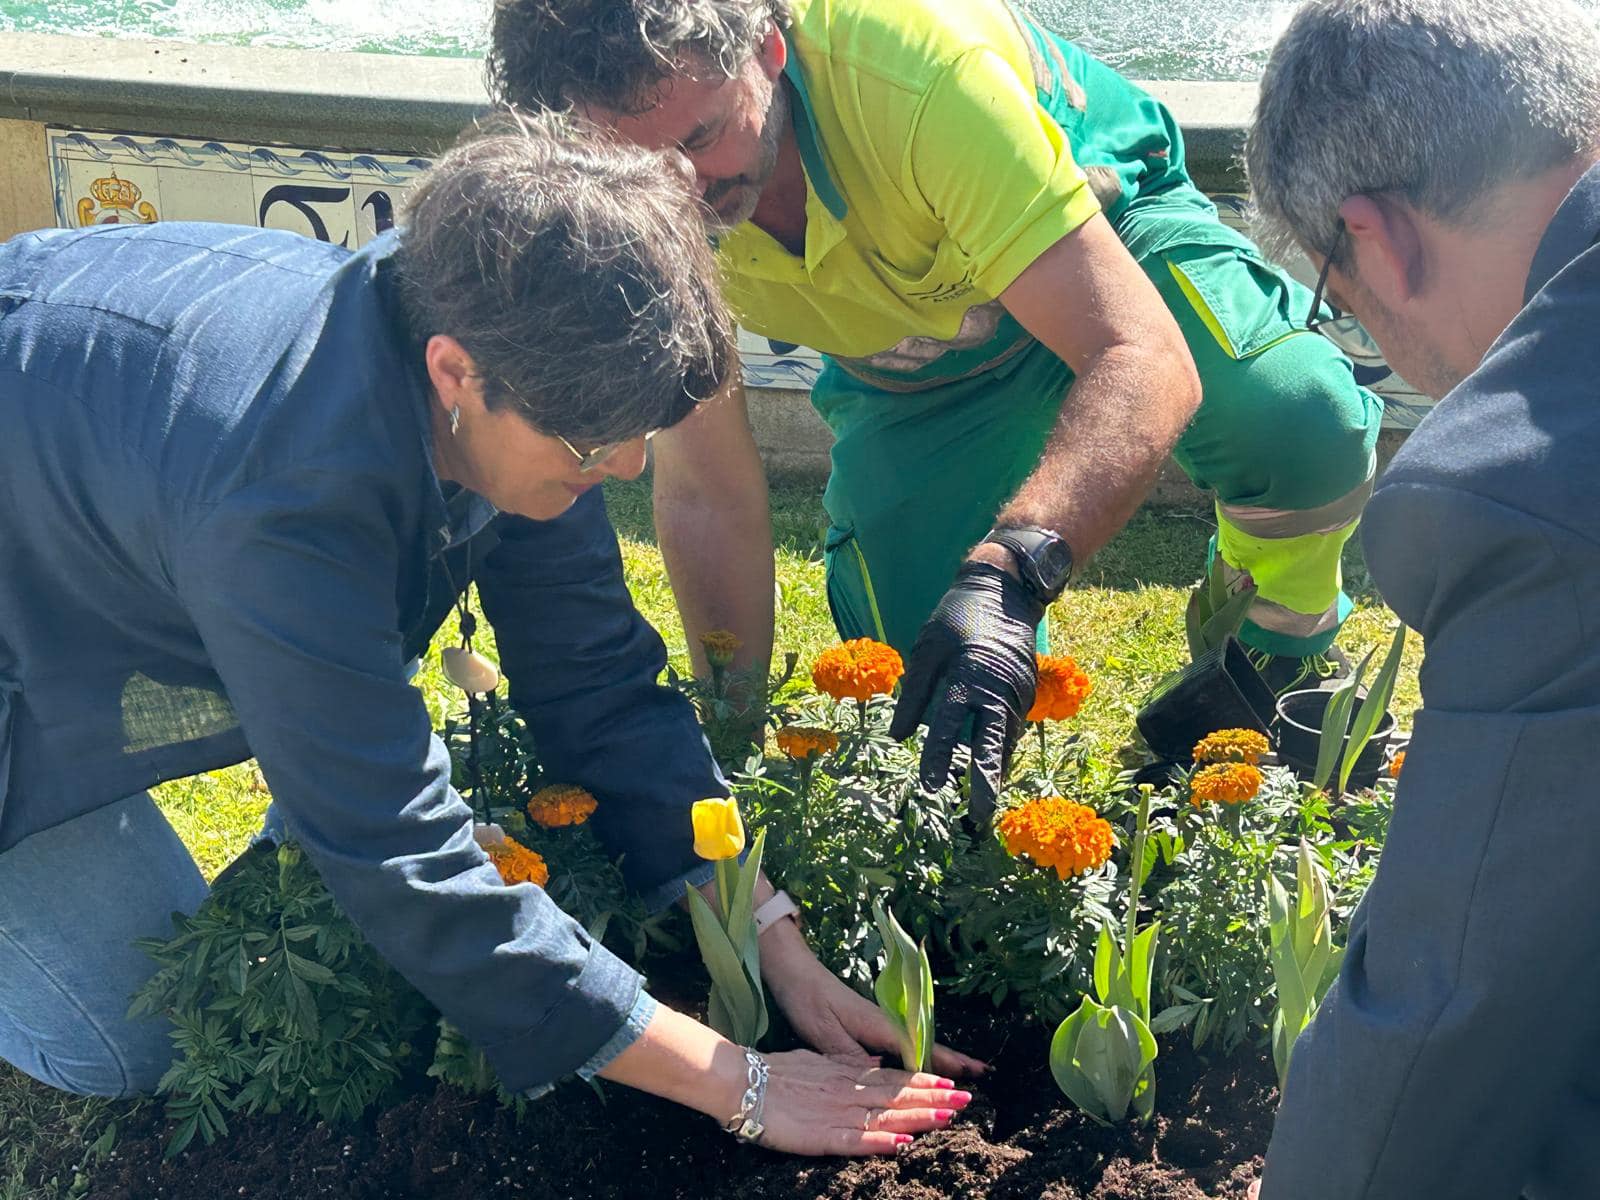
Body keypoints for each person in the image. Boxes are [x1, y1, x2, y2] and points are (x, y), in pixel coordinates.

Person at [0, 113, 980, 1156]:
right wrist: (738, 1084)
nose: (627, 468)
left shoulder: (523, 348)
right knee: (136, 1034)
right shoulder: (284, 500)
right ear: (455, 375)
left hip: (96, 489)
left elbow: (595, 679)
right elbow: (399, 849)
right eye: (597, 442)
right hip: (46, 557)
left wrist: (762, 929)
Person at [487, 0, 1384, 816]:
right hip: (922, 363)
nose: (678, 190)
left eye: (706, 134)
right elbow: (706, 486)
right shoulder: (613, 197)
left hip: (1110, 247)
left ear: (769, 42)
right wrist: (731, 736)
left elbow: (1139, 355)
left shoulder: (916, 72)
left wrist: (1009, 575)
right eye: (634, 163)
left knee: (1296, 416)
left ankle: (1277, 656)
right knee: (920, 670)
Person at [1243, 0, 1600, 1195]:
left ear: (1375, 236)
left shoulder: (1524, 485)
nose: (1364, 327)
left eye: (1337, 300)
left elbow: (1447, 1014)